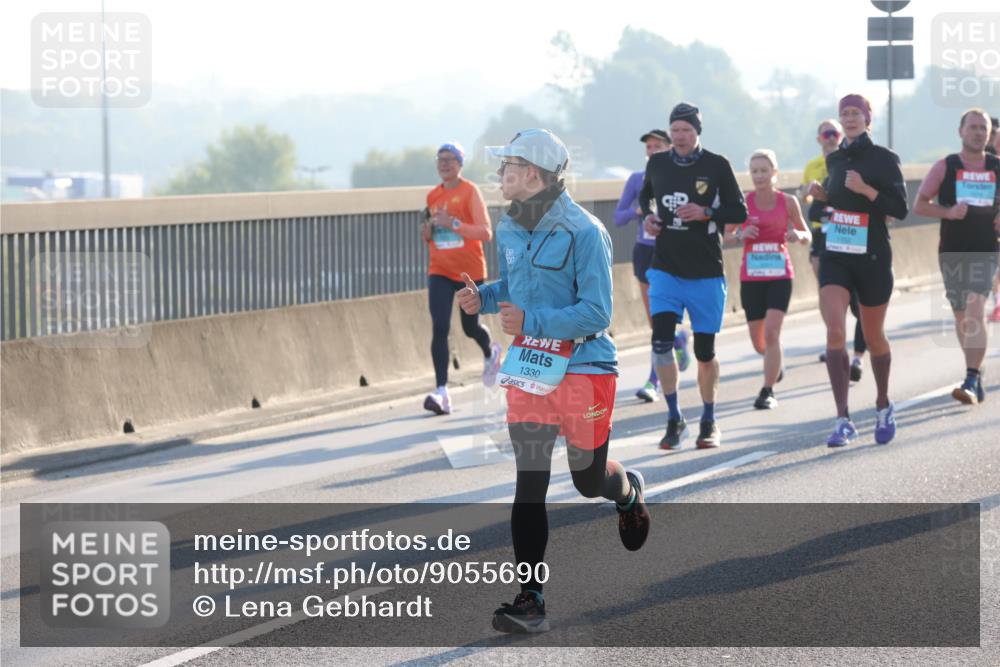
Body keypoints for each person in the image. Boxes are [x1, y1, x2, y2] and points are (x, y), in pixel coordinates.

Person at [457, 128, 650, 634]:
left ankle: (626, 490)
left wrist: (533, 320)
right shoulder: (509, 226)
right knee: (530, 481)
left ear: (534, 174)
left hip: (584, 366)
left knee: (588, 481)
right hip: (530, 368)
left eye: (508, 167)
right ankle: (531, 599)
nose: (500, 174)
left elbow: (597, 312)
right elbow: (518, 287)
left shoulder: (585, 231)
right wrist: (486, 296)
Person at [640, 103, 748, 449]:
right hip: (665, 268)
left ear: (697, 132)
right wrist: (649, 218)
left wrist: (707, 212)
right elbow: (646, 198)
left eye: (686, 130)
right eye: (675, 130)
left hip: (705, 270)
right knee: (660, 342)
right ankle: (674, 418)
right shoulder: (658, 162)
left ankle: (709, 419)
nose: (680, 136)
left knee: (704, 352)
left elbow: (739, 211)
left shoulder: (716, 165)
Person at [808, 94, 908, 447]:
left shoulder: (884, 158)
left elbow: (900, 209)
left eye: (856, 113)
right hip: (836, 254)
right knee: (835, 330)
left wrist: (866, 190)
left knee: (874, 336)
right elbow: (829, 209)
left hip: (873, 257)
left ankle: (882, 404)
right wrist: (821, 198)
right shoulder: (834, 159)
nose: (850, 119)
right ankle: (843, 418)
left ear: (868, 119)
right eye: (844, 113)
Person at [913, 108, 1000, 405]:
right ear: (960, 131)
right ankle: (975, 369)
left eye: (983, 128)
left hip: (986, 250)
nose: (978, 132)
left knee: (975, 309)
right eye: (972, 127)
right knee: (962, 317)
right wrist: (948, 212)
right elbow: (920, 205)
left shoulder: (997, 166)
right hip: (952, 251)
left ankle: (971, 378)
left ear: (989, 135)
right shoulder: (945, 166)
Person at [421, 142, 502, 415]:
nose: (444, 164)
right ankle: (442, 392)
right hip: (440, 270)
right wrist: (428, 232)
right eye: (440, 159)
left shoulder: (470, 192)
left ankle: (490, 352)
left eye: (450, 159)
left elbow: (486, 232)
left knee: (470, 327)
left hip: (469, 271)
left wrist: (453, 224)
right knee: (440, 326)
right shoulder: (432, 196)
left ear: (460, 163)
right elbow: (431, 234)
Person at [614, 129, 692, 403]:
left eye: (657, 146)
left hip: (674, 253)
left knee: (661, 323)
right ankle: (678, 340)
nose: (651, 151)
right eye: (648, 147)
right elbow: (618, 217)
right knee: (655, 323)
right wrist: (638, 210)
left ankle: (653, 382)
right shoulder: (637, 179)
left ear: (670, 148)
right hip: (645, 253)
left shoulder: (681, 177)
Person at [729, 149, 810, 409]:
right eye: (755, 171)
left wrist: (798, 235)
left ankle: (768, 390)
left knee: (772, 332)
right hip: (751, 277)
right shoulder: (743, 202)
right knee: (759, 342)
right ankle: (774, 362)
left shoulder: (788, 202)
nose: (759, 176)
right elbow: (725, 235)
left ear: (775, 173)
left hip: (779, 275)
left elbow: (807, 233)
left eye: (764, 171)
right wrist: (741, 234)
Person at [799, 120, 868, 380]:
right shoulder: (813, 166)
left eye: (835, 134)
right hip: (823, 233)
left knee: (858, 298)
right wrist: (809, 192)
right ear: (819, 139)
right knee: (827, 290)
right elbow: (808, 199)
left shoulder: (852, 163)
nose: (831, 138)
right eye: (826, 134)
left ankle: (858, 354)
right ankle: (835, 341)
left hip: (852, 232)